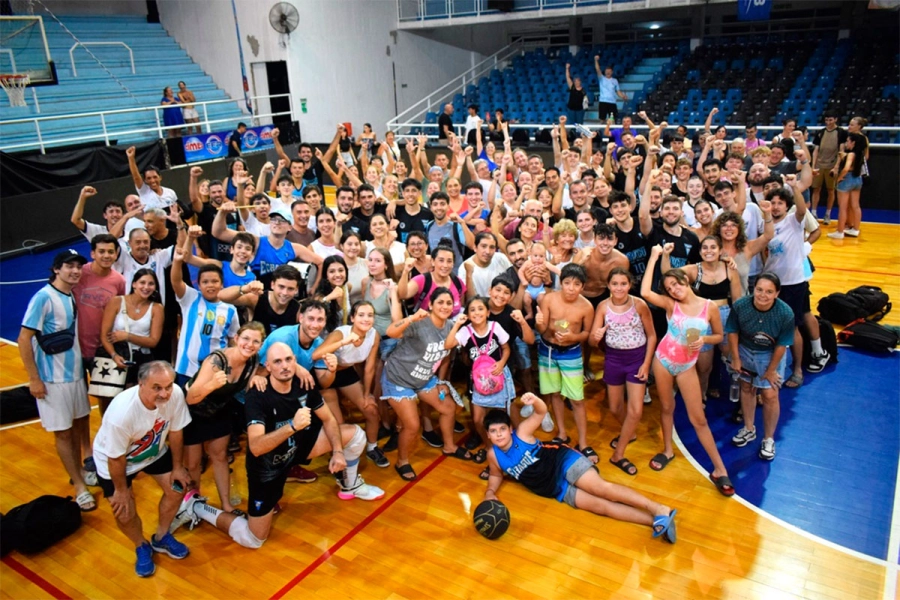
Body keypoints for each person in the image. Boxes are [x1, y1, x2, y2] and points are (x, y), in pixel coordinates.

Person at [171, 343, 384, 549]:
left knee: (355, 435)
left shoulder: (303, 383)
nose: (284, 366)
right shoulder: (257, 395)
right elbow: (255, 447)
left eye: (289, 360)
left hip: (298, 448)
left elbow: (329, 420)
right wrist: (292, 426)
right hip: (269, 465)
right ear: (268, 367)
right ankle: (197, 507)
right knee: (253, 539)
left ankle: (350, 484)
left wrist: (337, 452)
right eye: (278, 361)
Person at [483, 393, 677, 542]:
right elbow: (496, 475)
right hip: (555, 488)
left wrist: (535, 400)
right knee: (602, 507)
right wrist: (490, 492)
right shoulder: (494, 455)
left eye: (502, 429)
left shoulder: (522, 433)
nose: (499, 434)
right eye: (493, 431)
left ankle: (657, 508)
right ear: (488, 435)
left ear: (510, 429)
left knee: (603, 490)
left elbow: (541, 412)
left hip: (562, 461)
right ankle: (657, 521)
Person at [641, 244, 733, 496]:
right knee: (667, 407)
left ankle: (719, 469)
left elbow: (718, 335)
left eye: (676, 284)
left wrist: (705, 341)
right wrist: (653, 256)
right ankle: (667, 450)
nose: (674, 290)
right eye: (669, 288)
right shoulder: (671, 305)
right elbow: (645, 291)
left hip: (685, 366)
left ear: (686, 281)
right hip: (663, 360)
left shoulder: (709, 307)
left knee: (698, 419)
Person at [91, 361, 193, 577]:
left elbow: (176, 431)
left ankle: (161, 537)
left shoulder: (174, 394)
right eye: (157, 387)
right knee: (124, 511)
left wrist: (177, 467)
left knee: (177, 489)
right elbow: (116, 457)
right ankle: (141, 545)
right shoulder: (122, 413)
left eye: (168, 386)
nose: (165, 393)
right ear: (141, 384)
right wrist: (121, 491)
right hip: (116, 460)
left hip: (152, 451)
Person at [18, 249, 97, 512]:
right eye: (69, 266)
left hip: (74, 375)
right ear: (56, 268)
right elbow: (23, 338)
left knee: (76, 427)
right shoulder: (43, 298)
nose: (75, 271)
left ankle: (79, 473)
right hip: (52, 380)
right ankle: (79, 486)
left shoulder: (70, 295)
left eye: (78, 266)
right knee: (63, 433)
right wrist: (34, 379)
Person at [382, 288, 474, 480]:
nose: (445, 306)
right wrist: (412, 318)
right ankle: (402, 461)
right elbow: (391, 332)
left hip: (424, 379)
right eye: (440, 302)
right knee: (412, 425)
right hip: (398, 379)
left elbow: (446, 356)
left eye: (449, 303)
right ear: (430, 305)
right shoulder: (419, 323)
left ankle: (449, 446)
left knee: (449, 408)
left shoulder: (451, 327)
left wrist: (441, 381)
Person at [182, 322, 265, 514]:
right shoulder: (216, 360)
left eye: (255, 341)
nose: (249, 344)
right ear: (236, 339)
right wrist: (211, 385)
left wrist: (260, 376)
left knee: (220, 457)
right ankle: (192, 506)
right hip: (193, 411)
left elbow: (252, 381)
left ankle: (226, 505)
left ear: (260, 345)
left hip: (219, 410)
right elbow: (191, 397)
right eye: (245, 339)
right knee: (193, 463)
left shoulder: (253, 361)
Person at [589, 268, 655, 475]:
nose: (619, 288)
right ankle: (630, 432)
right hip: (613, 359)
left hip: (636, 359)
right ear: (608, 285)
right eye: (615, 283)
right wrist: (596, 336)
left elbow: (652, 336)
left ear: (629, 285)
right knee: (615, 407)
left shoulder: (640, 305)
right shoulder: (602, 307)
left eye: (623, 283)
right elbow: (592, 340)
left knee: (636, 410)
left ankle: (619, 453)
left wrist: (646, 364)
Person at [663, 236, 742, 403]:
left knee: (731, 358)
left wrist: (737, 325)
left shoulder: (730, 268)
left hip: (725, 315)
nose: (709, 251)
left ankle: (741, 393)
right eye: (704, 248)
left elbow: (737, 300)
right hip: (700, 319)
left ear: (721, 250)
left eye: (713, 247)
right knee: (703, 366)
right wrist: (664, 255)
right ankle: (701, 396)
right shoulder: (693, 270)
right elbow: (668, 275)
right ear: (699, 252)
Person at [726, 273, 795, 461]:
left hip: (771, 354)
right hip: (745, 350)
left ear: (777, 293)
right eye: (759, 290)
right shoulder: (741, 306)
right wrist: (736, 358)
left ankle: (769, 439)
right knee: (746, 387)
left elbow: (782, 344)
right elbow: (732, 331)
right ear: (753, 289)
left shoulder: (785, 313)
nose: (763, 295)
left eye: (769, 291)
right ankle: (749, 428)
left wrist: (771, 370)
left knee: (770, 395)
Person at [312, 302, 387, 467]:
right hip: (325, 373)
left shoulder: (374, 335)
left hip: (345, 372)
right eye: (361, 315)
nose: (366, 319)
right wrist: (344, 342)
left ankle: (372, 448)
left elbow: (369, 368)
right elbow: (316, 355)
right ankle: (343, 458)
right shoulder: (341, 333)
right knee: (338, 423)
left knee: (371, 410)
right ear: (352, 318)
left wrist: (367, 394)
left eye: (370, 315)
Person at [444, 296, 513, 475]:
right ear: (467, 314)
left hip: (498, 377)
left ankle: (504, 455)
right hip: (479, 381)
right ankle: (492, 451)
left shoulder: (495, 327)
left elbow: (506, 348)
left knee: (502, 419)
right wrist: (457, 324)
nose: (477, 313)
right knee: (477, 420)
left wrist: (502, 363)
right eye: (472, 310)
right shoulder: (466, 331)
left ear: (488, 312)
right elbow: (448, 344)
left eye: (480, 309)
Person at [534, 264, 596, 462]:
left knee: (577, 399)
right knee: (554, 394)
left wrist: (572, 337)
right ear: (561, 283)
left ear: (582, 287)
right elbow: (542, 328)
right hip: (547, 350)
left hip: (571, 353)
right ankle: (562, 434)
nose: (571, 288)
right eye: (567, 283)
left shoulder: (587, 306)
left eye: (576, 284)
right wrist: (539, 321)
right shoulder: (549, 299)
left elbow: (587, 334)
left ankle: (584, 443)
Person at [171, 240, 239, 386]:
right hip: (186, 370)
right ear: (199, 284)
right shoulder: (190, 298)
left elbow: (233, 340)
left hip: (215, 372)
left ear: (222, 284)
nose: (210, 285)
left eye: (214, 281)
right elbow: (176, 281)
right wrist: (177, 262)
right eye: (205, 282)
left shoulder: (231, 310)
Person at [98, 268, 164, 412]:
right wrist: (114, 356)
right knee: (111, 404)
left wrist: (127, 336)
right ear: (134, 284)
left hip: (142, 361)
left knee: (138, 406)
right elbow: (104, 335)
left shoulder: (157, 308)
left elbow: (153, 341)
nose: (146, 287)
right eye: (142, 283)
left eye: (151, 284)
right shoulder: (116, 302)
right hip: (117, 359)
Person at [399, 244, 466, 317]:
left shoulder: (458, 282)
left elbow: (461, 306)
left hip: (453, 326)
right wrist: (405, 272)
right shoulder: (422, 280)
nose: (445, 265)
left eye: (449, 261)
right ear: (433, 261)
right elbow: (403, 295)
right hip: (425, 325)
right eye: (441, 260)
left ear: (453, 264)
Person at [827, 132, 868, 239]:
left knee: (843, 208)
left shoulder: (851, 154)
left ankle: (840, 232)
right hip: (858, 179)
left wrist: (840, 178)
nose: (846, 143)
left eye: (848, 141)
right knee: (856, 206)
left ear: (853, 142)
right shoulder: (861, 153)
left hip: (847, 180)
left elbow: (846, 168)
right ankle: (855, 229)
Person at [810, 111, 847, 224]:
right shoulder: (820, 132)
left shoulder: (841, 132)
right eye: (826, 120)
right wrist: (813, 166)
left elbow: (841, 151)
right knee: (816, 189)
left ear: (835, 119)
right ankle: (814, 213)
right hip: (819, 165)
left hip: (831, 165)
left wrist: (836, 166)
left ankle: (828, 214)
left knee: (831, 190)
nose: (828, 122)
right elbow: (816, 150)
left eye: (830, 120)